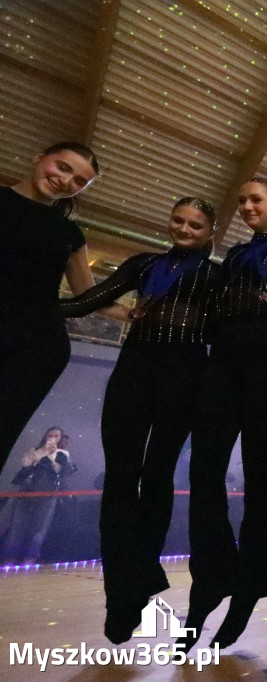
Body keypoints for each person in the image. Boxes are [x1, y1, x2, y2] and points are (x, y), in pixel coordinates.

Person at [59, 197, 221, 643]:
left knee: (157, 476)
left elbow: (236, 329)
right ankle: (122, 595)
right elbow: (91, 298)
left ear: (211, 231)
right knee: (120, 478)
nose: (184, 229)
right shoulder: (143, 262)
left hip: (185, 377)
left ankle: (135, 591)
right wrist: (35, 305)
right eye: (178, 220)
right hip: (132, 373)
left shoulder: (215, 274)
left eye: (195, 224)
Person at [180, 176, 267, 652]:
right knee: (204, 470)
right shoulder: (231, 255)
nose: (247, 205)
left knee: (258, 476)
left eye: (257, 199)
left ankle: (253, 579)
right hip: (222, 362)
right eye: (243, 199)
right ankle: (210, 578)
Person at [1, 142, 101, 473]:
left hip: (35, 347)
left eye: (79, 182)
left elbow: (88, 295)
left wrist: (137, 312)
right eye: (63, 167)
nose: (66, 181)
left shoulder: (69, 232)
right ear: (38, 156)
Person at [0, 428, 75, 564]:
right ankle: (9, 558)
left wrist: (52, 454)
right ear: (45, 436)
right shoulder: (35, 449)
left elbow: (60, 470)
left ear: (61, 438)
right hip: (27, 491)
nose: (52, 438)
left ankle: (30, 558)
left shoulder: (63, 453)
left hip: (49, 493)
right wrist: (41, 452)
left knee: (40, 528)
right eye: (50, 435)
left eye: (56, 436)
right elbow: (25, 463)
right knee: (17, 526)